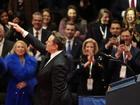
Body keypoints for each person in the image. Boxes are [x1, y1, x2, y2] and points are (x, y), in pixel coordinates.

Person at [9, 22, 75, 105]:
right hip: (43, 97)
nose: (46, 42)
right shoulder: (52, 53)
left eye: (49, 41)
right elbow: (38, 44)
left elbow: (58, 91)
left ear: (55, 46)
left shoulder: (59, 63)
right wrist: (22, 31)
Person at [0, 40, 37, 105]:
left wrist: (27, 83)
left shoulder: (32, 60)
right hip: (13, 91)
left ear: (25, 49)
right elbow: (3, 71)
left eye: (22, 47)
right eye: (18, 47)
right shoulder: (8, 60)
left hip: (27, 93)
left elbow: (35, 77)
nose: (20, 49)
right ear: (14, 48)